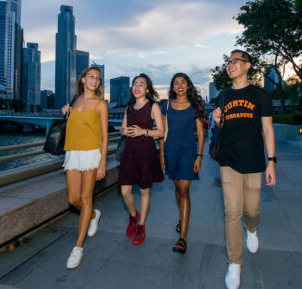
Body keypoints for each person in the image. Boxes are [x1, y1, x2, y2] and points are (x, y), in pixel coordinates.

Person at [212, 50, 276, 289]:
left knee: (251, 208)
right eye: (228, 61)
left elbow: (268, 130)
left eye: (235, 61)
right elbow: (221, 126)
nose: (230, 65)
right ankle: (234, 263)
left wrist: (271, 162)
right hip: (228, 159)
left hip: (253, 160)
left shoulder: (260, 95)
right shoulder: (223, 95)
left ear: (248, 65)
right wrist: (218, 119)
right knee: (231, 212)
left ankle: (252, 228)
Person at [61, 66, 108, 269]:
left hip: (91, 153)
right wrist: (65, 113)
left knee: (86, 198)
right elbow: (72, 125)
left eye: (97, 78)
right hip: (72, 152)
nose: (94, 80)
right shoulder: (75, 100)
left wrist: (102, 162)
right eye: (91, 76)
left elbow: (105, 136)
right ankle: (93, 215)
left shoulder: (100, 104)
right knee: (74, 199)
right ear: (82, 79)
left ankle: (78, 247)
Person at [161, 72, 206, 254]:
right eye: (176, 83)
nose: (179, 85)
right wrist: (162, 155)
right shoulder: (166, 106)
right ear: (172, 87)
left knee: (184, 188)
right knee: (177, 188)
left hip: (188, 151)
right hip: (170, 150)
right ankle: (182, 218)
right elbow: (163, 132)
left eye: (183, 82)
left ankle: (183, 238)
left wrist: (199, 156)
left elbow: (201, 133)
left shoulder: (194, 107)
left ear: (188, 86)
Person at [118, 73, 165, 245]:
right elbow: (121, 129)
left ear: (147, 89)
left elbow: (161, 132)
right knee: (125, 191)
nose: (137, 87)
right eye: (135, 84)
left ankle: (141, 226)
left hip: (146, 152)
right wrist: (126, 131)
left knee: (145, 190)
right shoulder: (129, 107)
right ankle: (133, 215)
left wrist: (142, 132)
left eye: (141, 84)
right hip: (129, 152)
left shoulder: (153, 106)